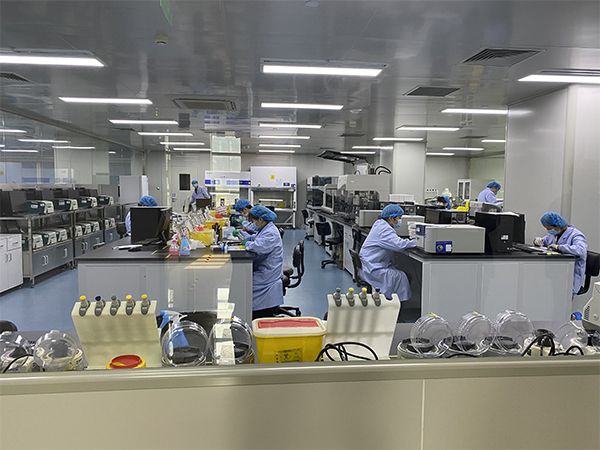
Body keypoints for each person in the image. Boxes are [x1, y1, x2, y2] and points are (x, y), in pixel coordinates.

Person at [359, 204, 417, 301]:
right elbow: (399, 245)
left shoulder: (380, 224)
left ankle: (392, 302)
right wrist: (417, 242)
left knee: (399, 272)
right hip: (373, 268)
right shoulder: (384, 229)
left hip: (370, 264)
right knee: (401, 276)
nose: (400, 220)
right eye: (399, 218)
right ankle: (396, 304)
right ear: (391, 218)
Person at [243, 205, 284, 319]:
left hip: (268, 273)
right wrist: (246, 237)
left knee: (244, 284)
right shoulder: (266, 228)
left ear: (260, 219)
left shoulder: (271, 233)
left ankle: (252, 314)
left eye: (254, 221)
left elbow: (257, 246)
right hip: (265, 268)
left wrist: (246, 243)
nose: (253, 224)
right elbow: (256, 238)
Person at [533, 211, 588, 295]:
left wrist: (559, 247)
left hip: (571, 275)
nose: (549, 231)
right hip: (557, 273)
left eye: (549, 228)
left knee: (564, 298)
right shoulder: (555, 234)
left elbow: (580, 250)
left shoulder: (576, 235)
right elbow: (545, 241)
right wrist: (538, 241)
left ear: (557, 225)